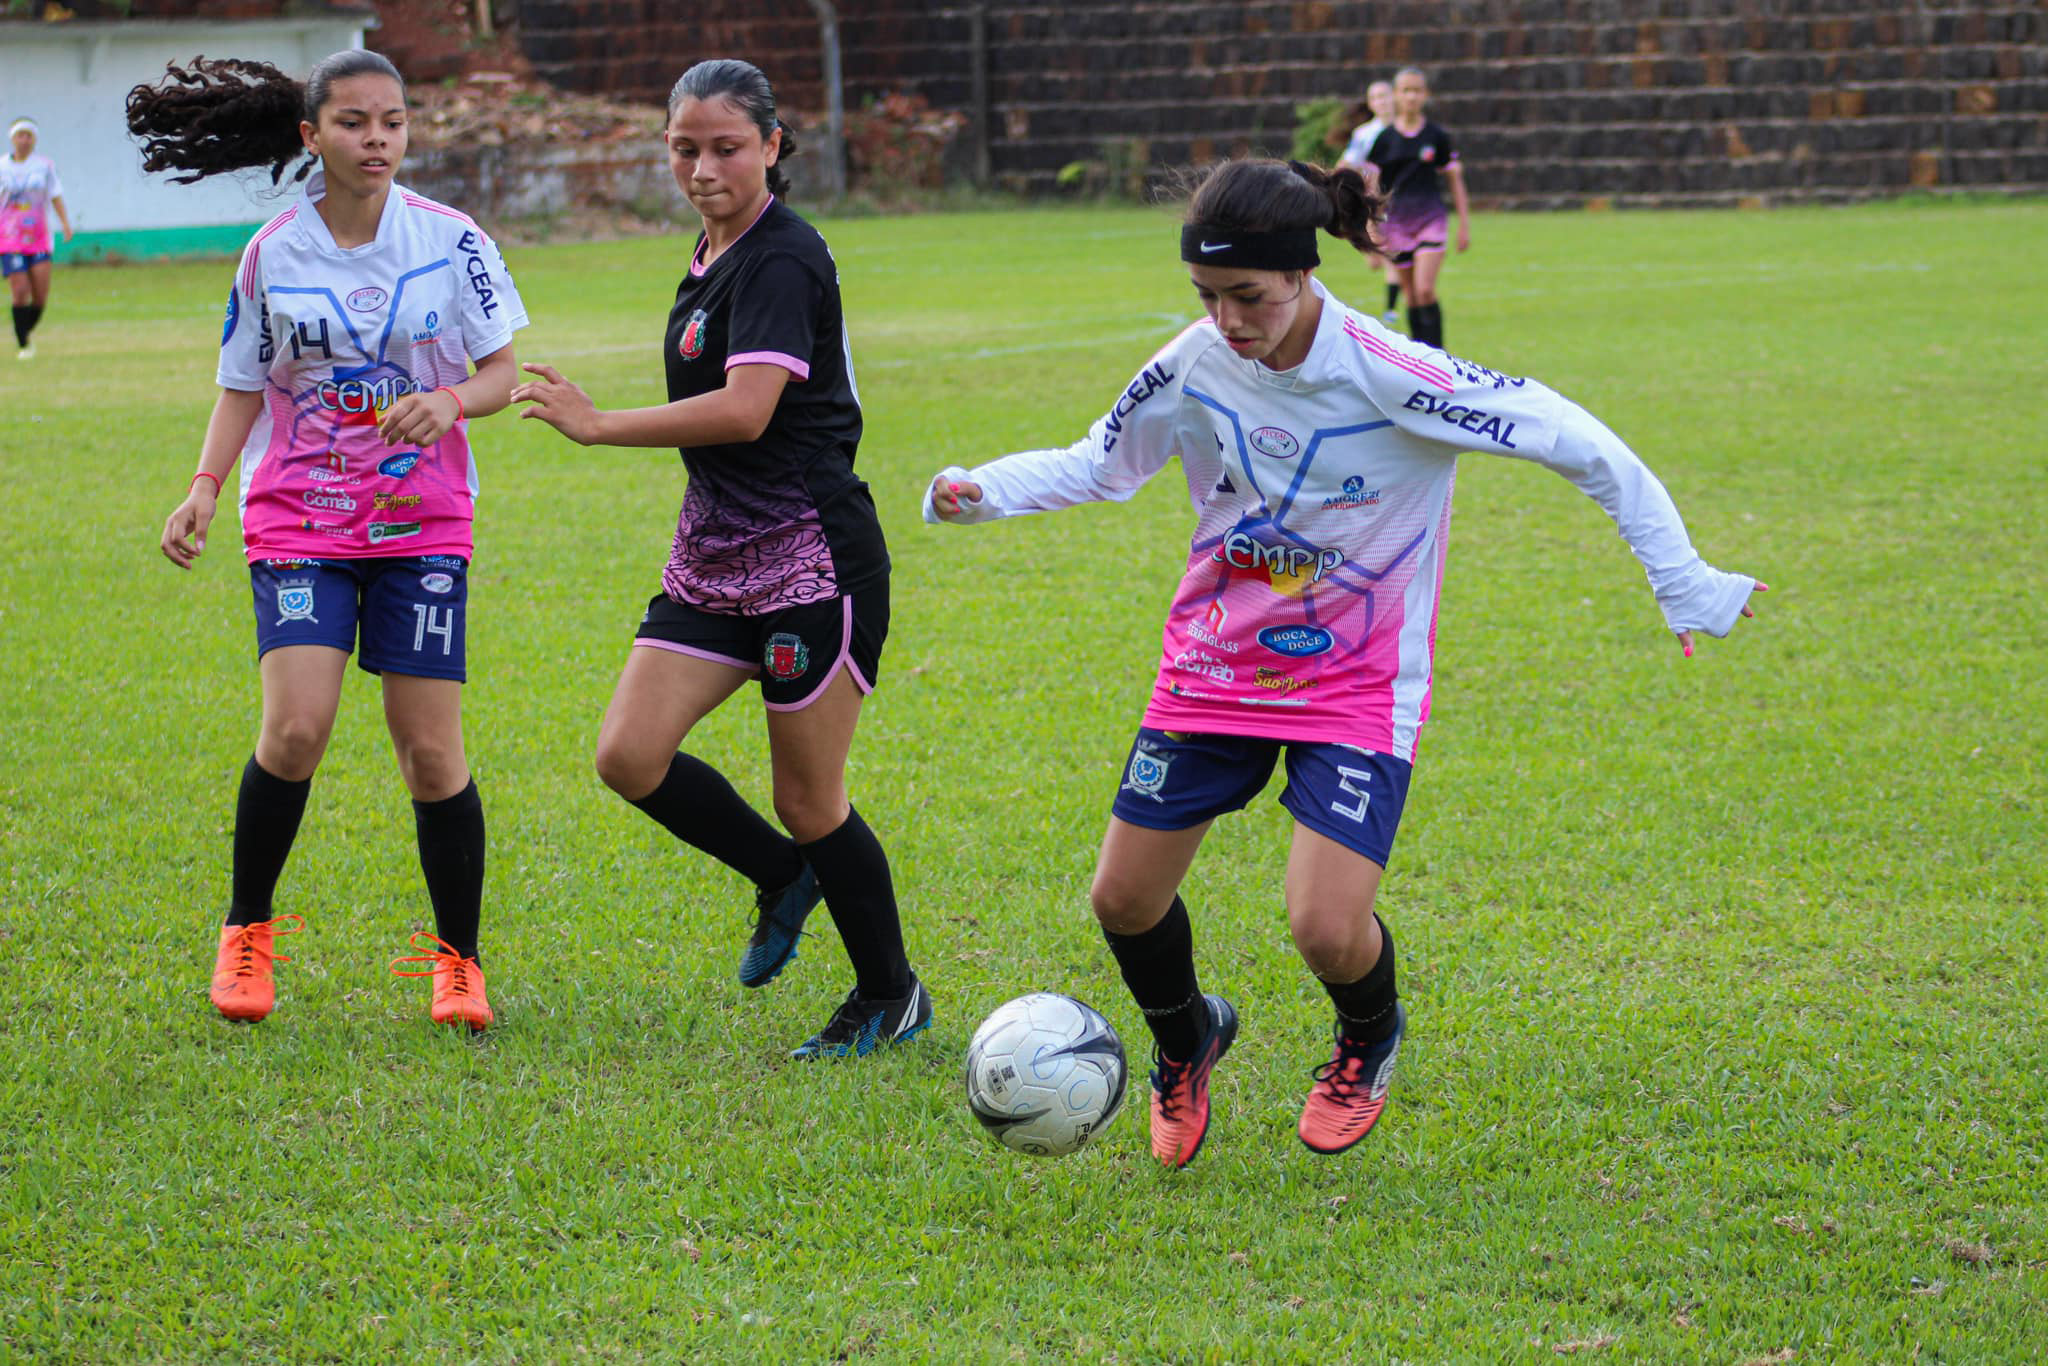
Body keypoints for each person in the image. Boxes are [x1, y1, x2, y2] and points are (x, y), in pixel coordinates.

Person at [925, 157, 1764, 1168]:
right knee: (1121, 900)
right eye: (1206, 295)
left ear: (1302, 273)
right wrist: (981, 488)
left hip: (1355, 686)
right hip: (1212, 666)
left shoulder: (1391, 371)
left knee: (1324, 928)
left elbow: (1571, 437)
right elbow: (1098, 461)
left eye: (1250, 297)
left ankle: (1365, 1036)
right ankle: (1184, 1036)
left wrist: (1679, 577)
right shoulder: (1195, 361)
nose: (1228, 319)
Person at [511, 59, 929, 1060]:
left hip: (811, 561)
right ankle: (782, 876)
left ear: (774, 147)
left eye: (726, 148)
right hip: (714, 559)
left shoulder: (779, 257)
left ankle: (890, 994)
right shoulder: (711, 249)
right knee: (628, 754)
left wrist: (601, 424)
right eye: (684, 148)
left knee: (810, 798)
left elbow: (747, 409)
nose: (702, 167)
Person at [130, 51, 528, 1030]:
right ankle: (246, 931)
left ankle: (458, 961)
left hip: (422, 518)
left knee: (430, 754)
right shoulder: (273, 251)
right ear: (312, 137)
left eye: (392, 121)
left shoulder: (453, 240)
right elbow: (240, 384)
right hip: (298, 517)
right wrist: (202, 488)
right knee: (296, 729)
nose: (378, 140)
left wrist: (446, 400)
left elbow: (503, 372)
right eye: (354, 123)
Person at [1365, 66, 1469, 349]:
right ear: (1396, 95)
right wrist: (1370, 228)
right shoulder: (1384, 139)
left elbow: (1454, 179)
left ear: (1425, 95)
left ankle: (1441, 357)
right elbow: (1371, 188)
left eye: (1416, 90)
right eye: (1405, 90)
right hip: (1396, 224)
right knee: (1410, 296)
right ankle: (1420, 358)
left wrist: (1463, 224)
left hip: (1431, 219)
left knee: (1424, 290)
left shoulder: (1436, 136)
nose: (1411, 96)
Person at [2, 117, 72, 360]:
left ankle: (22, 329)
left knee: (40, 297)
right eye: (19, 135)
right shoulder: (2, 167)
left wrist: (65, 224)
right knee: (20, 290)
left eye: (28, 135)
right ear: (12, 139)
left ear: (34, 140)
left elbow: (55, 195)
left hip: (39, 237)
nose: (24, 140)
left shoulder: (44, 166)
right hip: (9, 238)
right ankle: (24, 345)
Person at [1334, 80, 1402, 326]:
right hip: (1373, 202)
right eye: (1377, 98)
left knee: (1392, 255)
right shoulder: (1365, 134)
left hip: (1401, 202)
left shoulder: (1406, 127)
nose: (1382, 101)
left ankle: (1391, 310)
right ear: (1371, 104)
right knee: (1375, 260)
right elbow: (1348, 162)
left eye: (1385, 96)